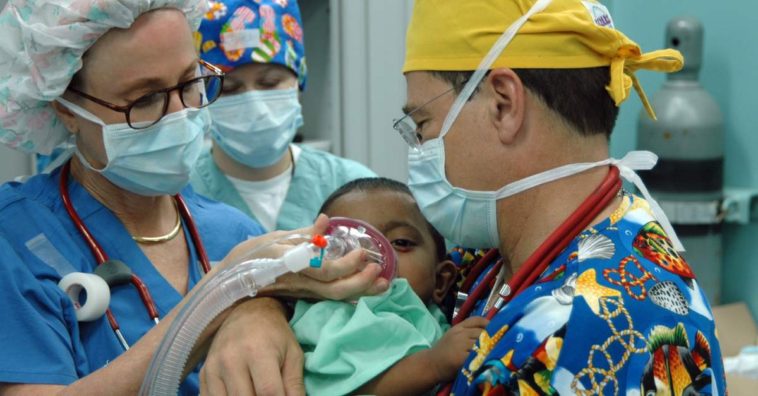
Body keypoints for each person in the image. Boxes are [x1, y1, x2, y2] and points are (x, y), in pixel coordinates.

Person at [0, 1, 386, 394]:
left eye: (190, 83)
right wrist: (226, 287)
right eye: (145, 100)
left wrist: (262, 304)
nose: (181, 115)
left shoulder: (230, 230)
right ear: (65, 107)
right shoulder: (16, 239)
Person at [394, 0, 726, 394]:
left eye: (422, 124)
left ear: (503, 105)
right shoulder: (492, 260)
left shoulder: (584, 328)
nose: (418, 146)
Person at [190, 0, 376, 232]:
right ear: (201, 94)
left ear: (299, 81)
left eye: (269, 83)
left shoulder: (352, 187)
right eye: (229, 89)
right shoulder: (179, 195)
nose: (254, 105)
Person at [291, 177, 488, 395]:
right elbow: (348, 390)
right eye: (347, 246)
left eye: (401, 242)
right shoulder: (331, 320)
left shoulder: (429, 313)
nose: (371, 258)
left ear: (441, 281)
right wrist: (432, 365)